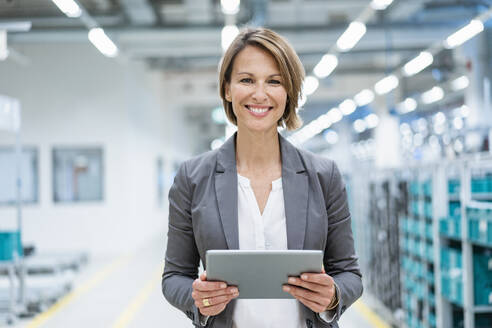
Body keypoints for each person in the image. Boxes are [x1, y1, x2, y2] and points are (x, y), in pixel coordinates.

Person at [162, 27, 362, 328]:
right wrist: (197, 299)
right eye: (246, 80)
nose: (260, 93)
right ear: (227, 89)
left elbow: (349, 273)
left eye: (274, 81)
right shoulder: (192, 178)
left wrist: (332, 295)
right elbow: (174, 276)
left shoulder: (323, 176)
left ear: (288, 92)